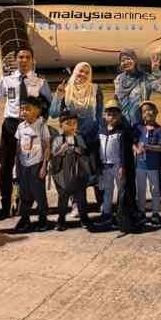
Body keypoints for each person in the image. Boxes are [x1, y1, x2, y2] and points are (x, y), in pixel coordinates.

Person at [0, 46, 52, 220]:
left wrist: (41, 123)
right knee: (6, 164)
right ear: (15, 60)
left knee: (29, 165)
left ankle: (28, 202)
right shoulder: (6, 80)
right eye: (20, 57)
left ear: (32, 60)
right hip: (10, 125)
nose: (23, 60)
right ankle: (6, 203)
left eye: (27, 57)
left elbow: (48, 104)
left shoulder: (40, 82)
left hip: (31, 127)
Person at [50, 61, 104, 214]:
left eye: (87, 72)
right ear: (75, 71)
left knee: (94, 170)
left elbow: (100, 115)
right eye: (80, 71)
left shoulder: (95, 89)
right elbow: (53, 113)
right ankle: (77, 204)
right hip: (72, 139)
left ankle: (102, 202)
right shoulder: (66, 90)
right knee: (75, 172)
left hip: (91, 137)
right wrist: (58, 95)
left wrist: (102, 134)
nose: (83, 74)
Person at [12, 95, 52, 232]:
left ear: (37, 111)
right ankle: (25, 218)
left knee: (38, 193)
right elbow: (18, 148)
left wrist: (44, 166)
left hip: (37, 164)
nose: (24, 112)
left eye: (27, 109)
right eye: (22, 109)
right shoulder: (20, 127)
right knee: (24, 194)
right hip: (23, 165)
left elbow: (47, 147)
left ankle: (43, 218)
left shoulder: (41, 127)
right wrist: (16, 167)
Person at [49, 110, 93, 231]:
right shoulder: (58, 139)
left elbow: (85, 152)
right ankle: (61, 219)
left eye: (74, 123)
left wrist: (79, 150)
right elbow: (53, 156)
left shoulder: (79, 137)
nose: (72, 126)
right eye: (68, 123)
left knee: (81, 197)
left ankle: (84, 217)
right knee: (63, 197)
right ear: (61, 125)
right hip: (63, 174)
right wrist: (61, 151)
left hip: (78, 173)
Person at [96, 98, 137, 229]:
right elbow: (99, 149)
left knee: (122, 191)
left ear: (120, 115)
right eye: (109, 114)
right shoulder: (101, 131)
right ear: (104, 115)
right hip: (105, 166)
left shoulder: (122, 131)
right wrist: (98, 165)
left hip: (118, 166)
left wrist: (123, 166)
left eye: (115, 114)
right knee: (107, 191)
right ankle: (106, 214)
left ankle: (122, 215)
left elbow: (124, 151)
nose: (112, 116)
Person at [114, 48, 161, 128]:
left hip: (141, 125)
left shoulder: (145, 78)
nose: (126, 62)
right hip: (123, 126)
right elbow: (117, 102)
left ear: (135, 60)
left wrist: (156, 71)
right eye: (123, 60)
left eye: (128, 59)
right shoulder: (118, 80)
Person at [134, 101, 161, 226]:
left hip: (153, 166)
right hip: (140, 166)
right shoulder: (138, 128)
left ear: (156, 112)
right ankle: (141, 212)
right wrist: (136, 149)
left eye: (150, 110)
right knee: (141, 190)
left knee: (155, 190)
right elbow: (134, 141)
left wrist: (148, 147)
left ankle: (155, 213)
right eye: (144, 111)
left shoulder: (160, 130)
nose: (147, 113)